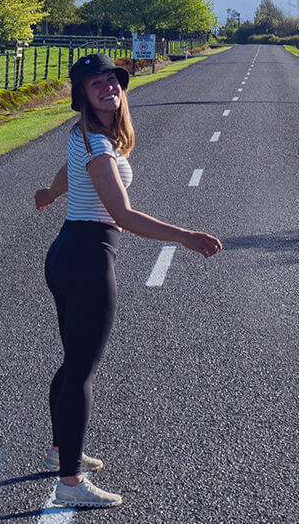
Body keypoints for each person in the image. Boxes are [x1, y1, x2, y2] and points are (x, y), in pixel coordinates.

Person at [33, 53, 222, 509]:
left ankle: (63, 449)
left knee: (73, 360)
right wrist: (186, 238)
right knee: (81, 369)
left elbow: (67, 172)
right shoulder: (97, 144)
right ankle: (70, 482)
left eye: (112, 80)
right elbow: (122, 214)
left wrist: (48, 194)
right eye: (95, 83)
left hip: (66, 250)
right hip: (88, 257)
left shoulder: (88, 137)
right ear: (82, 93)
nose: (107, 87)